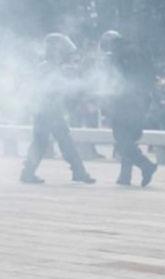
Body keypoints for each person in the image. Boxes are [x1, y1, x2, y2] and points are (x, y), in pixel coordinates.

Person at [20, 33, 95, 185]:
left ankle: (29, 172)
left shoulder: (50, 67)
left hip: (49, 110)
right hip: (47, 110)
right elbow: (50, 88)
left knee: (50, 142)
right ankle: (78, 172)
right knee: (56, 142)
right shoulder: (47, 67)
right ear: (55, 50)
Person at [100, 31, 157, 187]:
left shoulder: (120, 55)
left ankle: (146, 166)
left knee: (122, 139)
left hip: (127, 102)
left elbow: (121, 80)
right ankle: (125, 176)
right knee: (128, 139)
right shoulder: (135, 50)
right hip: (139, 101)